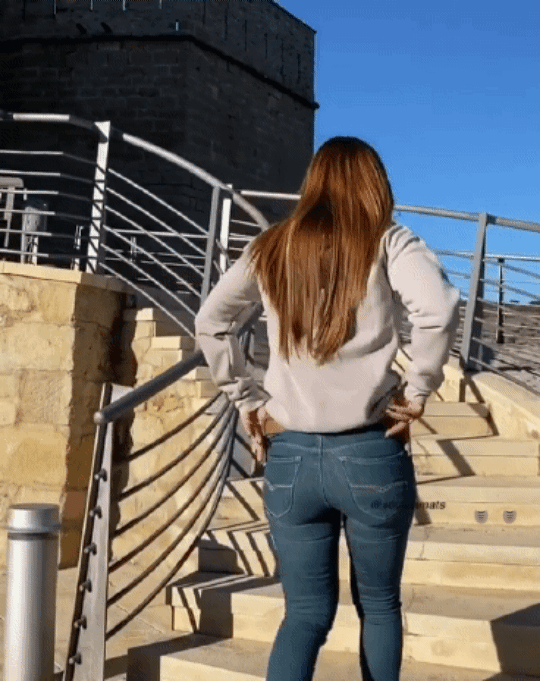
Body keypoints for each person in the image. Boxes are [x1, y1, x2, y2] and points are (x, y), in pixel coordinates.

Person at [194, 136, 461, 681]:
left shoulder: (272, 246)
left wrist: (248, 399)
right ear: (375, 184)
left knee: (304, 614)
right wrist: (417, 391)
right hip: (371, 451)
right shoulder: (388, 240)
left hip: (290, 456)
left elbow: (211, 322)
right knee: (379, 607)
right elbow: (437, 310)